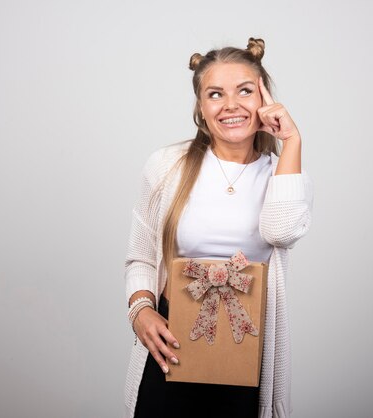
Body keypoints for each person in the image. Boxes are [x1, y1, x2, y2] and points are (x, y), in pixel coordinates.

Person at [123, 37, 313, 418]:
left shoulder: (282, 174)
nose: (231, 105)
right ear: (201, 107)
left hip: (247, 347)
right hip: (171, 343)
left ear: (264, 98)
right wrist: (140, 310)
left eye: (245, 91)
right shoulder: (166, 166)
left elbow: (282, 232)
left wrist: (292, 140)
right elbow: (141, 255)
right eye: (215, 94)